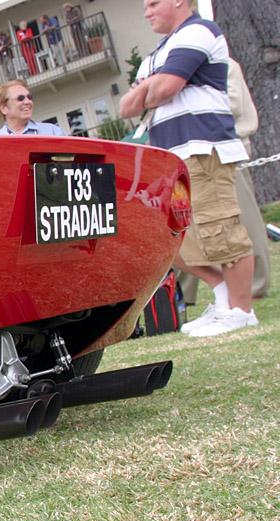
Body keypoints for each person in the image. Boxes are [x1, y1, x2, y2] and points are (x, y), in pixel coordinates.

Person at [120, 0, 257, 337]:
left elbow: (165, 89)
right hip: (171, 157)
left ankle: (241, 310)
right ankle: (223, 296)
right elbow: (126, 107)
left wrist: (151, 87)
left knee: (220, 227)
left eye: (153, 3)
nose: (146, 11)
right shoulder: (158, 53)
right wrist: (156, 85)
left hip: (202, 148)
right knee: (168, 237)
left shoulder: (198, 31)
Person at [177, 57, 271, 303]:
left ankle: (255, 286)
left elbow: (232, 105)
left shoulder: (222, 64)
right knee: (184, 225)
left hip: (223, 149)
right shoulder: (179, 69)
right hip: (189, 152)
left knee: (242, 219)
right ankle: (183, 294)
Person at [0, 80, 67, 135]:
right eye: (20, 98)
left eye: (29, 97)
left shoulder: (53, 132)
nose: (28, 102)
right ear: (4, 108)